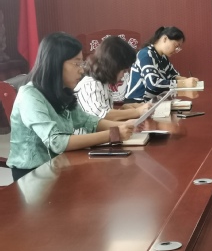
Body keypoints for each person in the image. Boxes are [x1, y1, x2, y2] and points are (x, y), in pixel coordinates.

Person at [7, 32, 134, 181]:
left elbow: (88, 121)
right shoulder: (30, 95)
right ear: (56, 63)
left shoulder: (61, 91)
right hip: (32, 175)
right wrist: (113, 134)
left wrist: (126, 126)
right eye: (76, 63)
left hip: (58, 165)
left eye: (82, 63)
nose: (82, 70)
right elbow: (57, 142)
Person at [75, 36, 151, 121]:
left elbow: (104, 112)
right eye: (124, 70)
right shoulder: (91, 84)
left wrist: (124, 109)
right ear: (113, 66)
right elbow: (103, 115)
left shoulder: (102, 83)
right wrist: (137, 111)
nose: (123, 75)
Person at [125, 26, 198, 102]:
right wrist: (184, 83)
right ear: (165, 39)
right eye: (176, 46)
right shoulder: (146, 54)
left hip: (153, 102)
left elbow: (173, 76)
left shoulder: (163, 57)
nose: (176, 50)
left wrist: (186, 80)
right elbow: (153, 84)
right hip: (137, 102)